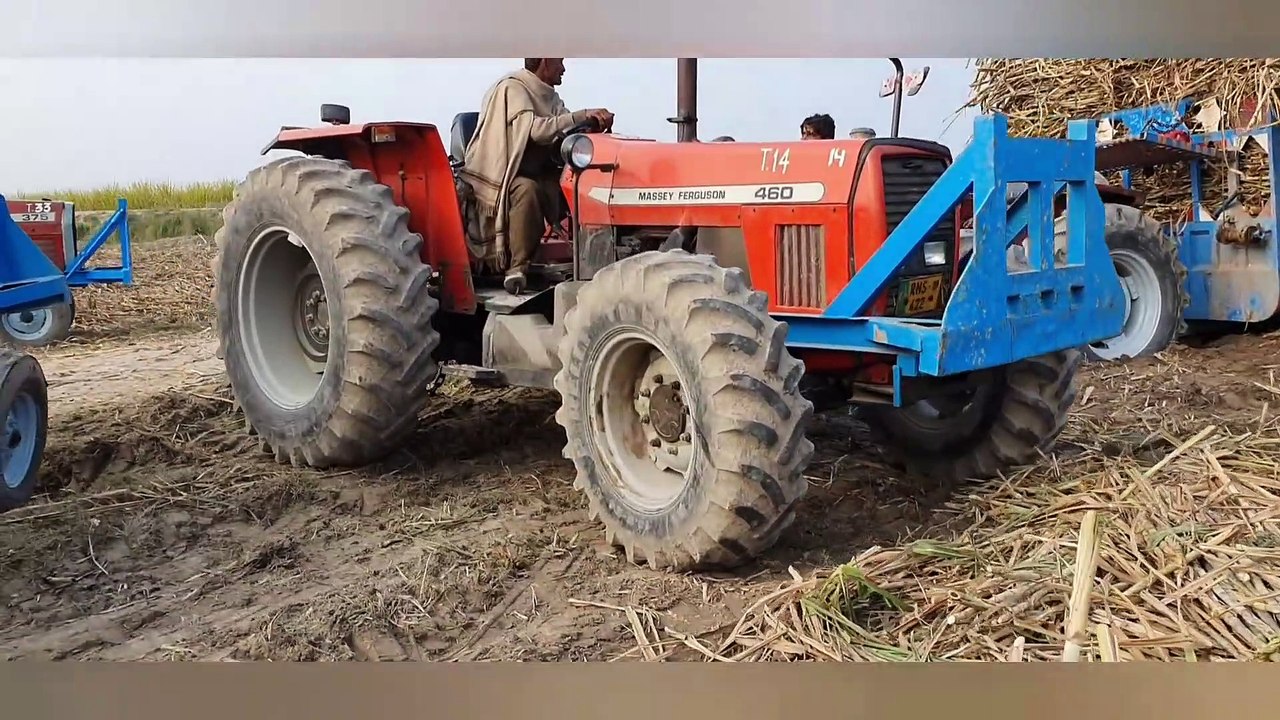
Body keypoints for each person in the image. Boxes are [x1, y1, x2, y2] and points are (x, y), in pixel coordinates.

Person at [460, 58, 614, 294]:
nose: (563, 68)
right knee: (527, 190)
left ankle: (589, 257)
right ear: (545, 61)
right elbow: (537, 131)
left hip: (540, 171)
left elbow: (564, 126)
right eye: (560, 62)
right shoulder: (514, 87)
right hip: (505, 175)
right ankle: (517, 269)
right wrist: (582, 115)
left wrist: (591, 124)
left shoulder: (551, 96)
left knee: (582, 184)